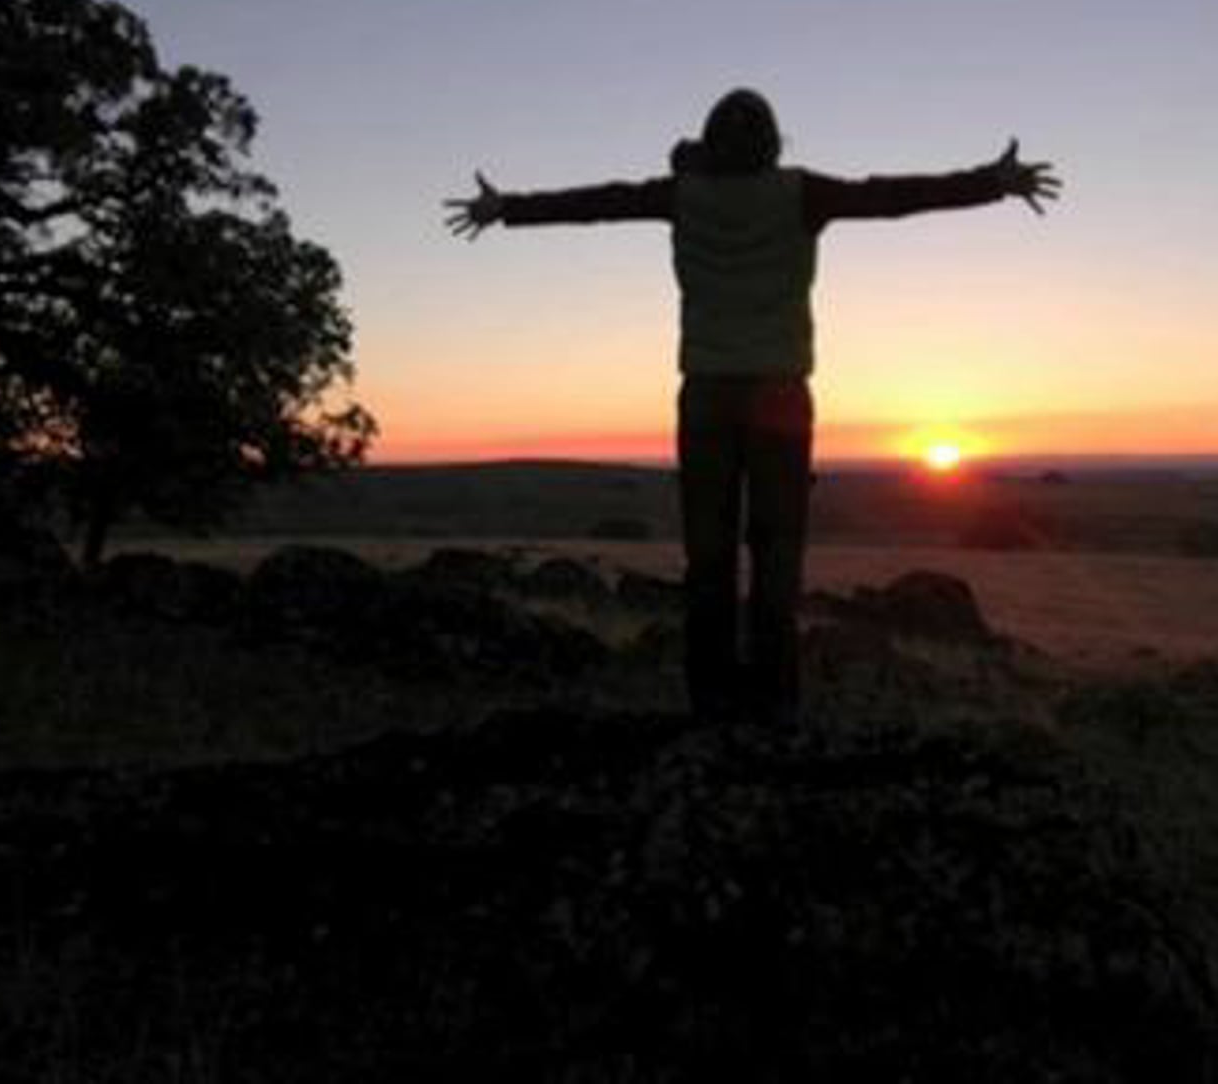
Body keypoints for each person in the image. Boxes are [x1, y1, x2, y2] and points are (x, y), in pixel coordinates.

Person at [444, 89, 1060, 724]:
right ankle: (774, 702)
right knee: (777, 554)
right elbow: (892, 196)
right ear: (773, 142)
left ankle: (710, 699)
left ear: (709, 141)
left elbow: (595, 203)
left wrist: (505, 208)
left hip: (707, 393)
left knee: (708, 557)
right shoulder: (800, 193)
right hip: (781, 397)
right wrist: (994, 182)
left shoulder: (682, 195)